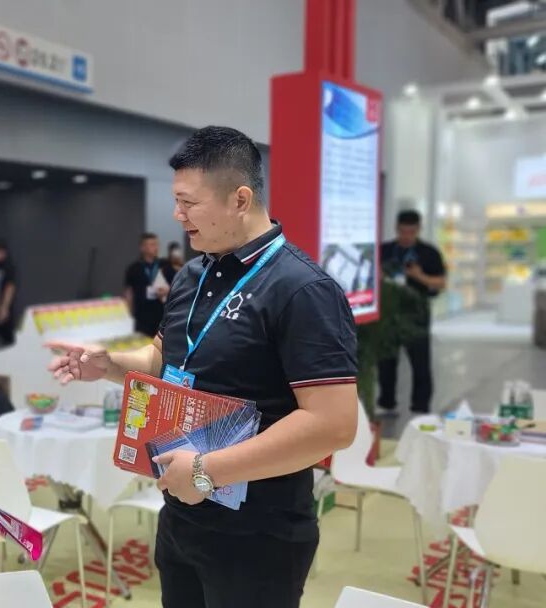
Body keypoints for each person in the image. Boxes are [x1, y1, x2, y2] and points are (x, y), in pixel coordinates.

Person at [48, 126, 358, 608]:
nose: (177, 215)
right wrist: (110, 365)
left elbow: (332, 424)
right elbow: (164, 359)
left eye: (188, 203)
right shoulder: (192, 276)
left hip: (259, 535)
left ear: (240, 199)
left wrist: (207, 470)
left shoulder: (303, 290)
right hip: (182, 515)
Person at [378, 210, 446, 414]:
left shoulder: (429, 253)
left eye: (411, 232)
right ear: (396, 229)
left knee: (420, 362)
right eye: (403, 231)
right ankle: (386, 402)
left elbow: (440, 282)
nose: (406, 236)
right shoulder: (385, 250)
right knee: (386, 362)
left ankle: (421, 406)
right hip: (389, 313)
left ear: (418, 230)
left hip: (416, 316)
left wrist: (419, 275)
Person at [123, 233, 173, 337]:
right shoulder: (134, 268)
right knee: (143, 342)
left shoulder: (166, 265)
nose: (156, 248)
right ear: (143, 248)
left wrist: (168, 290)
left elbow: (176, 285)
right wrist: (129, 313)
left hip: (162, 314)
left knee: (161, 342)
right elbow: (129, 293)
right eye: (152, 244)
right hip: (142, 316)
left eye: (157, 244)